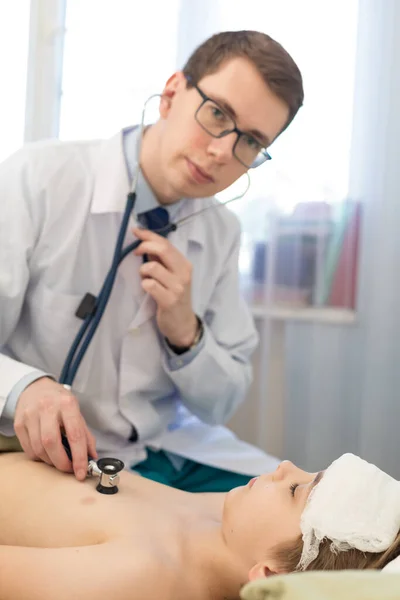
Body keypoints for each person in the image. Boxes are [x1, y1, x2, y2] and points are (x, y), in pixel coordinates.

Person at [0, 30, 304, 491]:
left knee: (314, 522)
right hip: (47, 454)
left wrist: (186, 333)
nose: (223, 150)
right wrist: (24, 387)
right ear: (170, 95)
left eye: (250, 142)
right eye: (217, 113)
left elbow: (221, 403)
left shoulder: (222, 232)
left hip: (162, 451)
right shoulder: (40, 178)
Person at [0, 452, 399, 600]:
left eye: (296, 490)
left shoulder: (143, 575)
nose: (284, 467)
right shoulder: (224, 524)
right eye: (314, 472)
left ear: (266, 576)